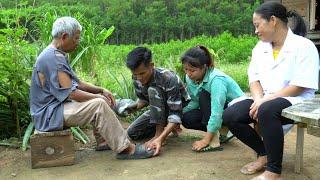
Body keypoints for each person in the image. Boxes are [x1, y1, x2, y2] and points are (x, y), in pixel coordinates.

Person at [29, 16, 154, 160]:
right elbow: (73, 93)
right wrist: (98, 97)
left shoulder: (57, 54)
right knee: (98, 105)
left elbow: (78, 83)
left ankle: (103, 141)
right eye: (76, 38)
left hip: (54, 109)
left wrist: (101, 90)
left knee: (99, 99)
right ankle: (126, 149)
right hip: (48, 115)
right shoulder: (53, 58)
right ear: (64, 37)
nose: (78, 42)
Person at [222, 2, 319, 180]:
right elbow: (254, 79)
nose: (256, 31)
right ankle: (263, 153)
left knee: (267, 110)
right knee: (230, 115)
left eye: (257, 25)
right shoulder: (260, 48)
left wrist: (266, 101)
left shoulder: (304, 46)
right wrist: (259, 99)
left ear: (273, 20)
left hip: (296, 98)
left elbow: (300, 85)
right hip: (265, 98)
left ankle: (274, 171)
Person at [123, 47, 190, 156]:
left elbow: (175, 112)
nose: (139, 78)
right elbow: (144, 101)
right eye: (135, 74)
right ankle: (168, 127)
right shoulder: (136, 78)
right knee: (133, 133)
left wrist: (161, 137)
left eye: (142, 73)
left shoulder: (168, 78)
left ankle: (160, 133)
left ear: (151, 66)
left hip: (180, 108)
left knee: (153, 90)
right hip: (159, 110)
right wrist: (130, 108)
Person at [180, 45, 245, 152]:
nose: (188, 73)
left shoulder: (216, 80)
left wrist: (205, 140)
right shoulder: (190, 78)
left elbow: (217, 111)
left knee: (204, 95)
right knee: (187, 118)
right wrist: (179, 114)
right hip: (218, 109)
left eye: (192, 70)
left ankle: (214, 140)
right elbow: (195, 101)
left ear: (204, 67)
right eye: (186, 69)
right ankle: (223, 131)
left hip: (236, 112)